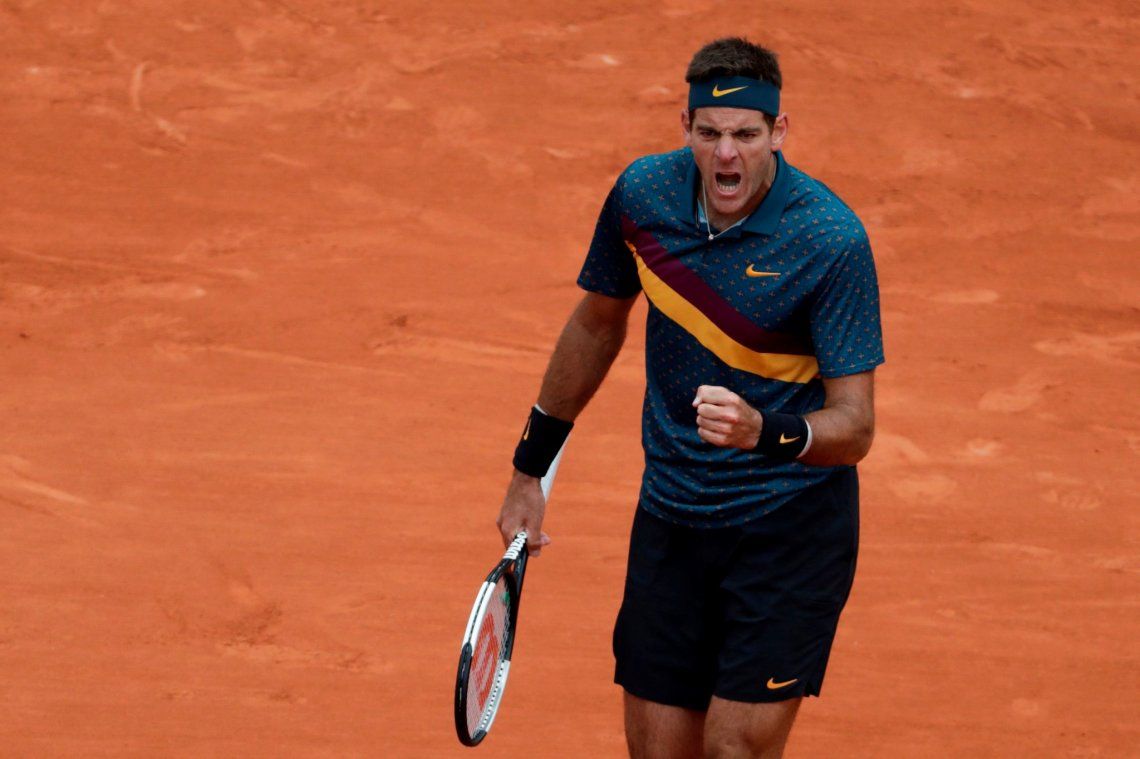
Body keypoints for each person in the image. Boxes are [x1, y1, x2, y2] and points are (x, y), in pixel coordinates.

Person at [497, 36, 884, 758]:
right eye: (709, 133)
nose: (725, 154)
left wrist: (763, 429)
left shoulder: (829, 240)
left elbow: (855, 426)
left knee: (732, 749)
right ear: (685, 127)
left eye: (745, 135)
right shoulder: (643, 196)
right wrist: (530, 471)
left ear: (778, 131)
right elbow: (596, 324)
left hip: (788, 529)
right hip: (672, 516)